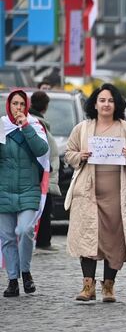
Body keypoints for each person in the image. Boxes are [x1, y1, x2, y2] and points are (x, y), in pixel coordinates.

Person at [65, 84, 126, 302]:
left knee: (114, 241)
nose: (106, 104)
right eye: (102, 100)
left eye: (110, 100)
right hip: (88, 195)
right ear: (95, 103)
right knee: (87, 239)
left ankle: (109, 286)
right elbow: (69, 154)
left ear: (116, 104)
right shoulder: (82, 129)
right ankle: (87, 286)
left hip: (117, 197)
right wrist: (79, 156)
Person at [0, 90, 49, 297]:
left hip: (29, 189)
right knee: (8, 238)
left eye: (21, 104)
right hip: (4, 190)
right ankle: (13, 280)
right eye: (14, 104)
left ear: (27, 106)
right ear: (8, 105)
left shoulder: (35, 125)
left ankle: (26, 271)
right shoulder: (1, 126)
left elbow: (41, 150)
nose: (18, 108)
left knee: (25, 230)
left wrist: (25, 127)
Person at [29, 91, 61, 253]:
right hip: (41, 175)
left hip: (42, 173)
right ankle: (43, 240)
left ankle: (42, 240)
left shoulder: (35, 121)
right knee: (44, 207)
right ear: (46, 106)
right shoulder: (36, 123)